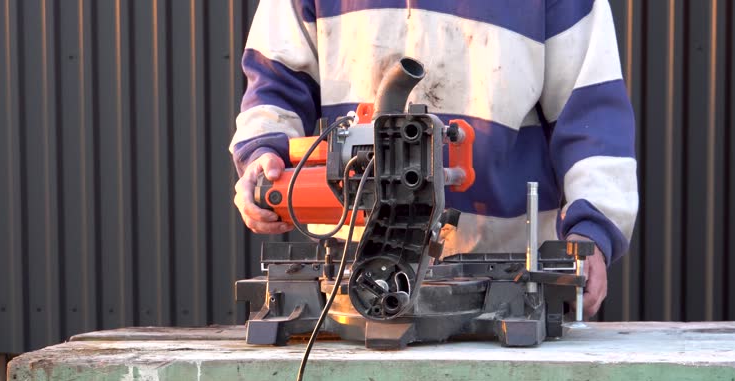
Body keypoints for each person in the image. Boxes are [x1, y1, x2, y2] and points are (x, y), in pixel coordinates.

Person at [231, 0, 638, 317]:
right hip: (354, 279)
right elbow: (275, 86)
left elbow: (591, 116)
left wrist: (590, 236)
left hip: (511, 282)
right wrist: (263, 159)